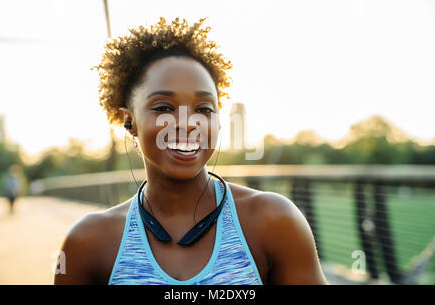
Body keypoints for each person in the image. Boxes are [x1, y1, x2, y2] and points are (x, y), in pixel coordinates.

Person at [54, 17, 328, 285]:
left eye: (204, 109)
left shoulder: (275, 221)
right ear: (130, 121)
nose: (187, 123)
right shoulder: (88, 242)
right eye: (163, 108)